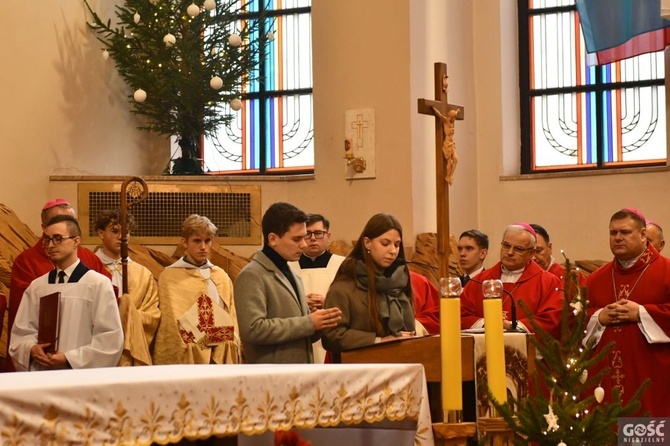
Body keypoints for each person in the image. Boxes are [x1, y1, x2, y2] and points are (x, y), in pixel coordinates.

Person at [6, 198, 111, 372]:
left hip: (82, 379)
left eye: (58, 239)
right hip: (43, 374)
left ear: (76, 240)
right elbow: (22, 331)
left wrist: (70, 359)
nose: (51, 245)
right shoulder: (36, 283)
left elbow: (109, 338)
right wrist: (31, 349)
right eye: (48, 239)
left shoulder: (98, 282)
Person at [584, 208, 670, 416]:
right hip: (605, 379)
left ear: (642, 235)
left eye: (625, 232)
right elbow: (574, 322)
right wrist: (599, 317)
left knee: (647, 436)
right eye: (613, 233)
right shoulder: (596, 278)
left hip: (652, 377)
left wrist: (641, 313)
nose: (618, 238)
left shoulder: (666, 271)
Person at [234, 202, 342, 364]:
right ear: (273, 239)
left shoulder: (291, 272)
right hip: (272, 376)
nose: (304, 244)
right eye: (297, 239)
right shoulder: (252, 275)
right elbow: (252, 330)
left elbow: (305, 334)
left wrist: (321, 321)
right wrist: (308, 322)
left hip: (298, 373)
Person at [322, 213, 416, 357]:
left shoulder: (399, 282)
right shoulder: (344, 286)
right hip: (360, 372)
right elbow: (332, 336)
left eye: (397, 245)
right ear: (367, 243)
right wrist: (379, 340)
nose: (392, 251)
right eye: (385, 243)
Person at [153, 214, 240, 365]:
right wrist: (200, 341)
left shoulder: (221, 276)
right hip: (189, 352)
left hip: (221, 352)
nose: (203, 247)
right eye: (197, 241)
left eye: (207, 241)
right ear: (184, 242)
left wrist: (227, 339)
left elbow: (231, 317)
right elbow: (172, 322)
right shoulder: (169, 276)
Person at [460, 223, 563, 336]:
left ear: (531, 253)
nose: (510, 253)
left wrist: (513, 326)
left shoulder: (548, 282)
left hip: (529, 351)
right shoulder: (478, 280)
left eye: (518, 249)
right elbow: (462, 315)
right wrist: (488, 324)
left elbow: (551, 318)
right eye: (506, 246)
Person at [94, 210, 160, 366]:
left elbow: (153, 314)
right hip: (100, 345)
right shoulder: (90, 268)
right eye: (115, 231)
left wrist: (129, 318)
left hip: (133, 346)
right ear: (101, 233)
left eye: (127, 232)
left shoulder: (143, 273)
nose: (122, 237)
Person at [288, 213, 345, 363]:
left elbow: (353, 302)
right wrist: (300, 303)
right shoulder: (288, 267)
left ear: (328, 236)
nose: (313, 238)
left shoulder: (343, 265)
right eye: (307, 234)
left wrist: (329, 302)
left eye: (318, 233)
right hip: (301, 335)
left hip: (334, 332)